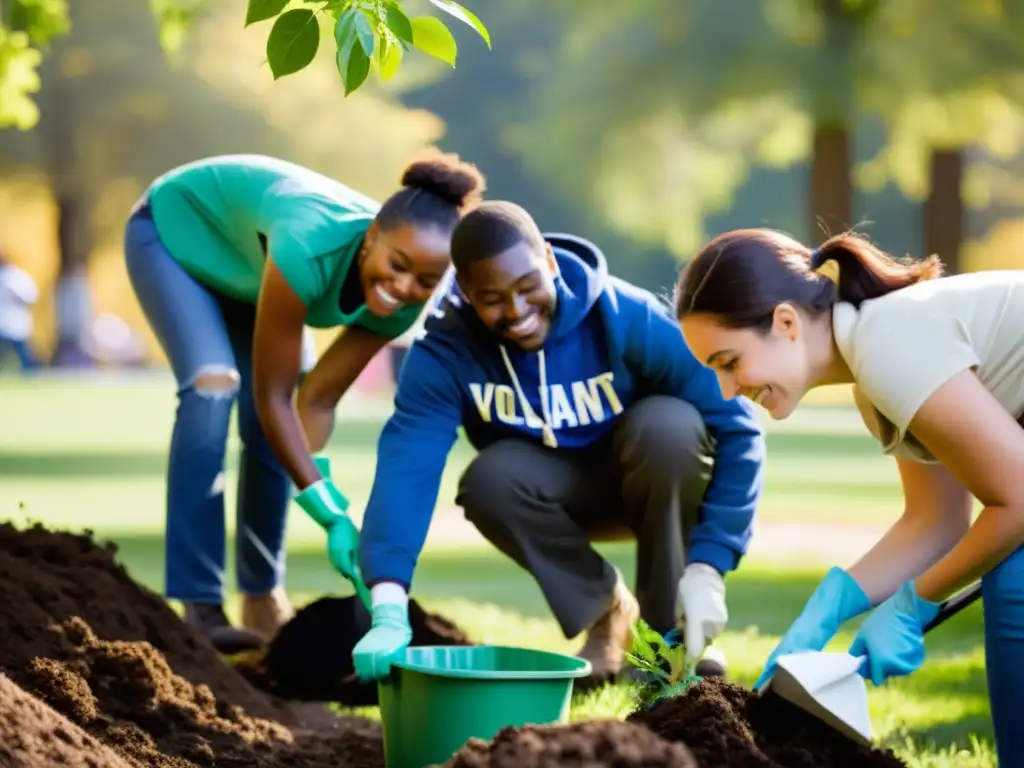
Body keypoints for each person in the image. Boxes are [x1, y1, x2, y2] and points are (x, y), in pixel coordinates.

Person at [342, 201, 767, 683]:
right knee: (487, 480)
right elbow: (407, 468)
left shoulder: (624, 315)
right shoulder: (444, 352)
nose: (517, 311)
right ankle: (607, 611)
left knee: (668, 425)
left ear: (547, 259)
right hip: (552, 494)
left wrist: (710, 565)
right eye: (493, 299)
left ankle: (668, 639)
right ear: (464, 291)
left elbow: (739, 426)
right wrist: (389, 601)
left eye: (527, 287)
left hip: (652, 478)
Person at [674, 227, 1024, 765]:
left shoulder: (889, 346)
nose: (726, 390)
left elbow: (1018, 500)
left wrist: (912, 604)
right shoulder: (874, 373)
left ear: (786, 323)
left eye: (728, 362)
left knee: (1016, 580)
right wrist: (833, 603)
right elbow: (936, 521)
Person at [124, 151, 486, 653]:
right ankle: (200, 605)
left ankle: (261, 594)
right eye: (396, 265)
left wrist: (322, 498)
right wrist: (324, 504)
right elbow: (274, 397)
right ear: (370, 239)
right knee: (213, 385)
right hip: (175, 232)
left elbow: (314, 400)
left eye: (425, 281)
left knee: (271, 432)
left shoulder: (402, 308)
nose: (404, 288)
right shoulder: (307, 246)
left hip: (247, 269)